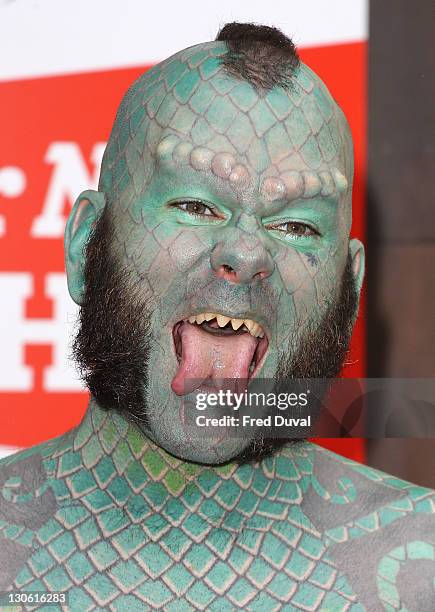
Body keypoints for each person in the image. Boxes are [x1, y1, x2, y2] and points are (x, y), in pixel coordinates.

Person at [1, 22, 434, 610]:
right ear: (85, 247)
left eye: (297, 225)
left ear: (348, 293)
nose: (247, 252)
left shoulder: (422, 560)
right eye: (195, 205)